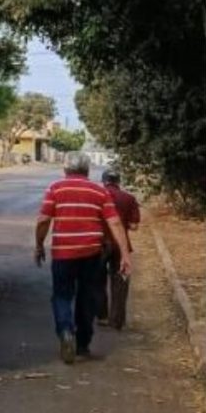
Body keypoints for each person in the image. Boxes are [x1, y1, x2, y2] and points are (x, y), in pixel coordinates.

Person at [35, 152, 133, 364]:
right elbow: (115, 223)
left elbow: (43, 220)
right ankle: (82, 345)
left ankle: (65, 332)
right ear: (87, 170)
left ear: (65, 169)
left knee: (61, 296)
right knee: (87, 297)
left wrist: (39, 245)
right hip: (91, 254)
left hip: (63, 254)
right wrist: (125, 254)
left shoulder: (55, 188)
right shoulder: (99, 191)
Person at [98, 168, 140, 328]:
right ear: (119, 182)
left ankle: (101, 315)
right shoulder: (129, 198)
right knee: (120, 282)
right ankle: (117, 320)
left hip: (100, 244)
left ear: (104, 181)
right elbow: (134, 226)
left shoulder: (98, 196)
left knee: (97, 280)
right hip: (121, 245)